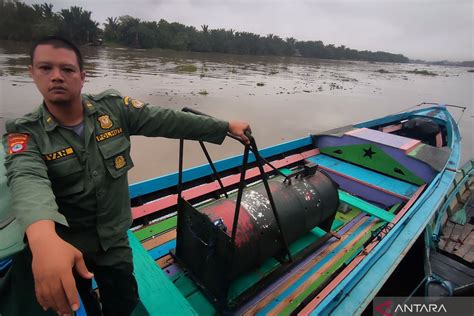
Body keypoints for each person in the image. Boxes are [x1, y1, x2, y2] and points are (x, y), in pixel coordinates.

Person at [2, 36, 250, 316]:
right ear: (31, 73)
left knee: (123, 303)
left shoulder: (114, 109)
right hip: (67, 245)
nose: (57, 76)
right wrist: (42, 238)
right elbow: (27, 180)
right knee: (75, 305)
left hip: (114, 239)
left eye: (67, 69)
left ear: (82, 77)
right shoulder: (24, 133)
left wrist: (225, 126)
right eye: (46, 68)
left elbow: (168, 120)